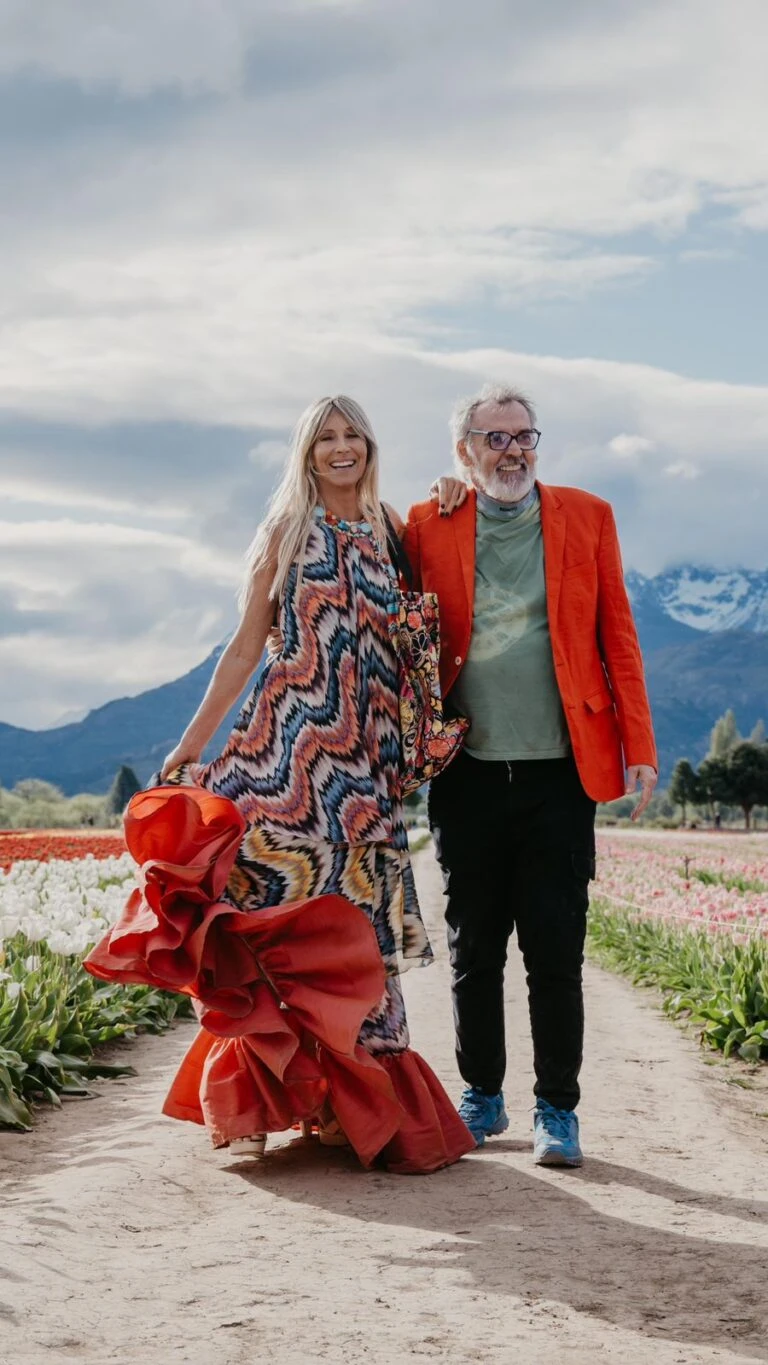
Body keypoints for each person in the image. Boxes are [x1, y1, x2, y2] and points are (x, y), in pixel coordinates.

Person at [88, 394, 474, 1175]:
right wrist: (189, 747)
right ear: (306, 453)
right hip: (280, 761)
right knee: (271, 929)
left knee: (356, 940)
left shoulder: (393, 532)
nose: (340, 448)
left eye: (352, 435)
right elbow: (242, 649)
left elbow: (439, 608)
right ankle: (260, 1099)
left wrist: (453, 489)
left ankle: (343, 1105)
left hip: (365, 775)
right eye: (325, 437)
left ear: (369, 445)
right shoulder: (287, 532)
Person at [403, 383, 657, 1166]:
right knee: (474, 948)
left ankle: (559, 1110)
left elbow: (618, 632)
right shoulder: (426, 522)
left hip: (560, 772)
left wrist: (638, 742)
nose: (512, 451)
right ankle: (482, 1098)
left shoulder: (587, 515)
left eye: (524, 436)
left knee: (555, 950)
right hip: (468, 772)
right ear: (464, 451)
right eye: (494, 439)